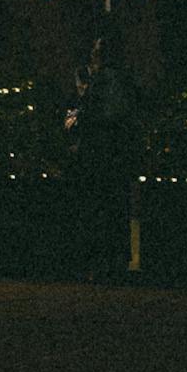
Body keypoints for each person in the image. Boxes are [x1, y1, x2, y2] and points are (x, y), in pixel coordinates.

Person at [68, 22, 139, 280]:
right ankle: (113, 259)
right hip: (113, 155)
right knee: (113, 207)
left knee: (102, 207)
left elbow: (106, 115)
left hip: (103, 155)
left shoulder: (107, 79)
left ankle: (104, 261)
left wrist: (83, 114)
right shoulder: (117, 78)